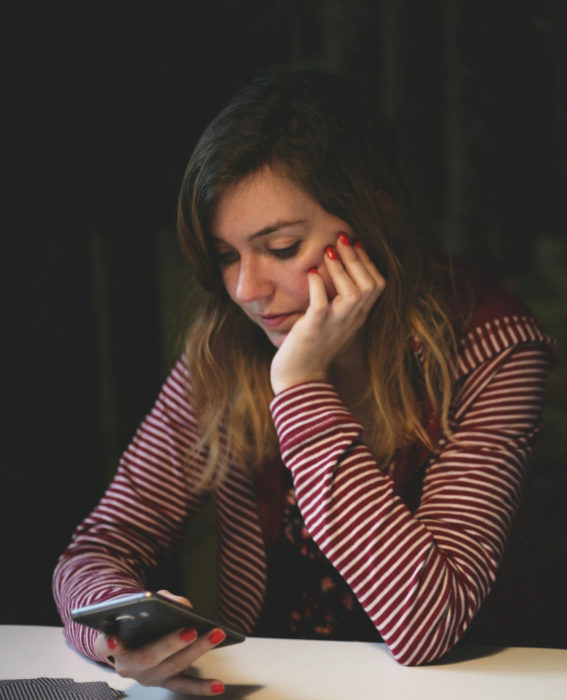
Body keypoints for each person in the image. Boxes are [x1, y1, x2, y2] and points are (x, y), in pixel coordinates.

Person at [53, 71, 559, 695]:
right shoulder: (225, 348)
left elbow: (427, 625)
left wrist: (299, 384)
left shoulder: (493, 346)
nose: (246, 290)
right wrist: (118, 632)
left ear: (379, 214)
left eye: (282, 247)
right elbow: (100, 546)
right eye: (226, 255)